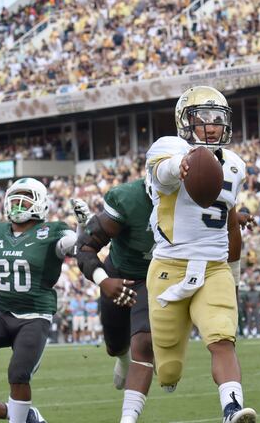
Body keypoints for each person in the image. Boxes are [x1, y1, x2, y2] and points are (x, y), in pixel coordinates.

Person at [144, 86, 256, 422]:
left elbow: (230, 221)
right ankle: (168, 373)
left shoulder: (235, 165)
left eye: (217, 119)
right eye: (201, 118)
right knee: (168, 370)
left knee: (222, 338)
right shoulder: (169, 148)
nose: (210, 125)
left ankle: (232, 407)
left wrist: (234, 270)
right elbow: (161, 173)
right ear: (184, 122)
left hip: (213, 267)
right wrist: (180, 165)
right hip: (169, 266)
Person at [0, 178, 88, 423]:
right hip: (0, 312)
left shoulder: (52, 231)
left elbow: (77, 246)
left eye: (26, 197)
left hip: (34, 316)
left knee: (18, 373)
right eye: (15, 197)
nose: (19, 203)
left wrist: (83, 226)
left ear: (40, 203)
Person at [75, 178, 155, 423]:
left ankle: (128, 419)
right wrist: (103, 280)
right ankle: (122, 358)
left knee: (144, 342)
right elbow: (85, 246)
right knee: (114, 346)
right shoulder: (129, 199)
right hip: (118, 274)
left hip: (155, 277)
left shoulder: (189, 197)